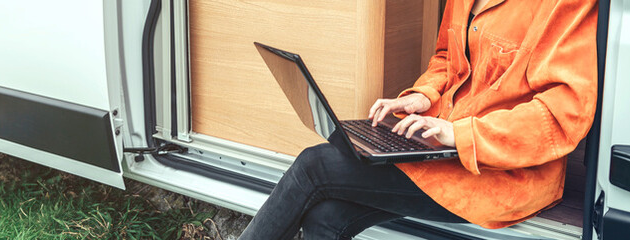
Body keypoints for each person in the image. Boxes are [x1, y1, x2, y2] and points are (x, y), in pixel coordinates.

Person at [241, 0, 598, 239]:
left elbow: (564, 114)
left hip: (505, 175)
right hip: (440, 148)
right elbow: (447, 57)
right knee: (327, 217)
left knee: (314, 166)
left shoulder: (565, 5)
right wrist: (423, 95)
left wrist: (459, 134)